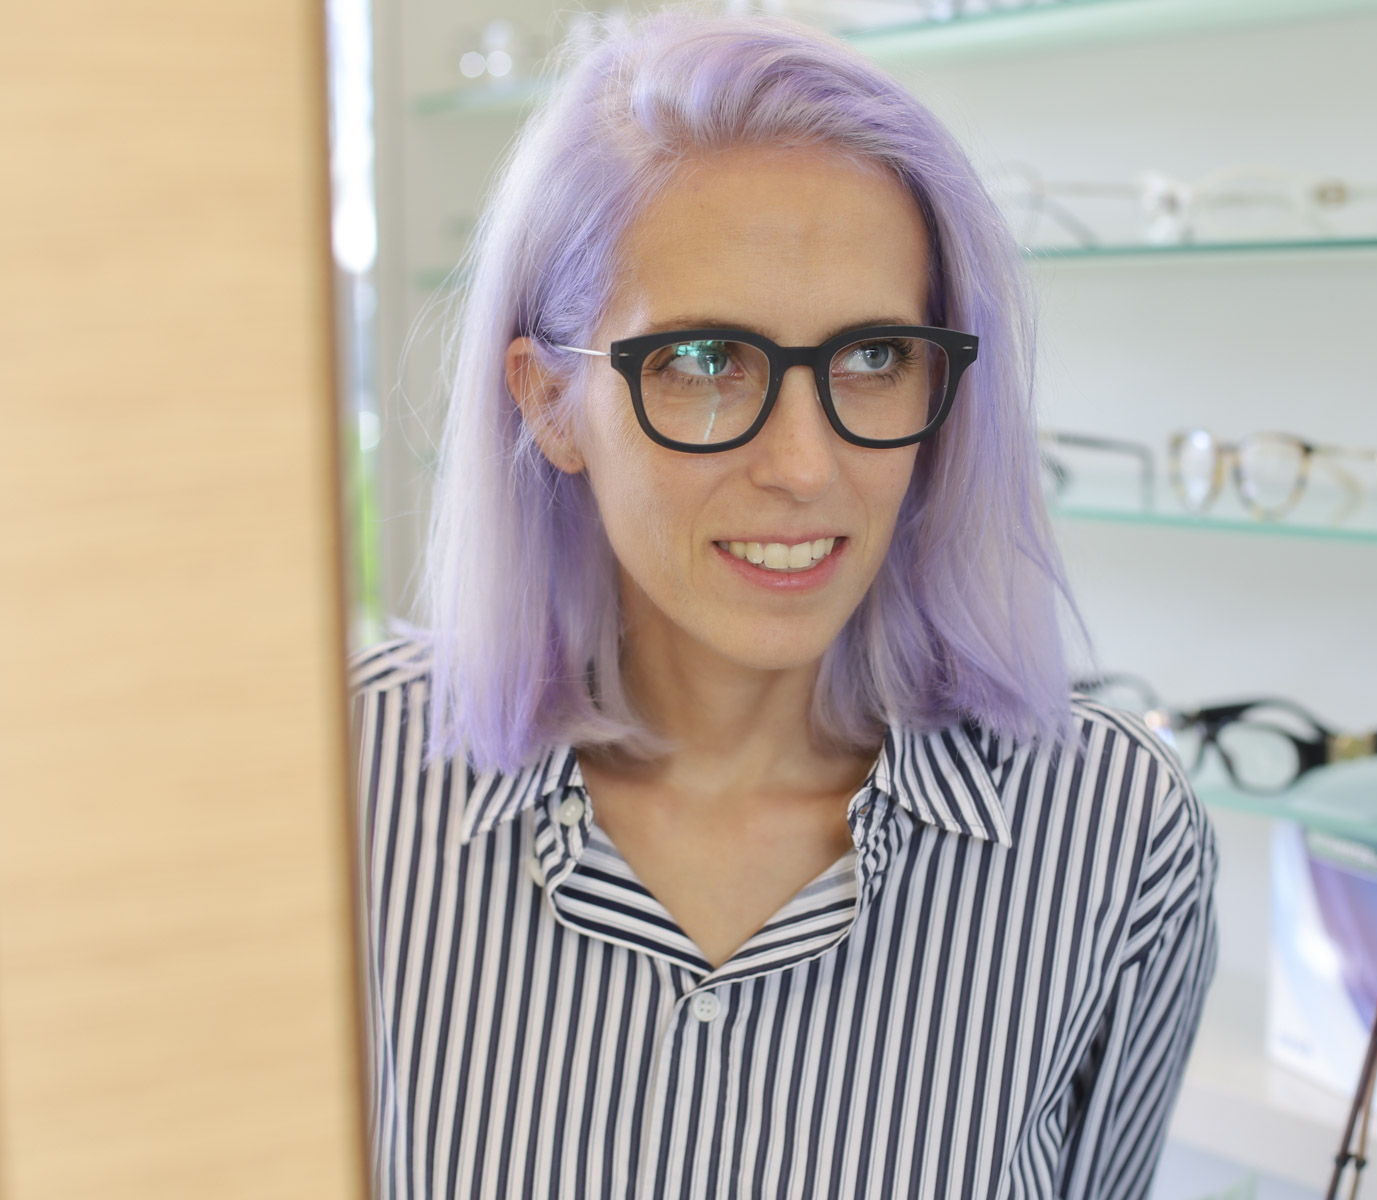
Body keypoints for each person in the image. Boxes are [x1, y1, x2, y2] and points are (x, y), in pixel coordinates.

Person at [350, 9, 1216, 1198]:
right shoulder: (342, 784)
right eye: (706, 363)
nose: (806, 466)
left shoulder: (1111, 837)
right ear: (549, 401)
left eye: (873, 357)